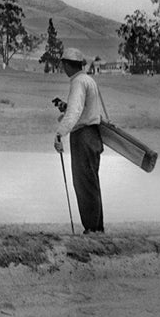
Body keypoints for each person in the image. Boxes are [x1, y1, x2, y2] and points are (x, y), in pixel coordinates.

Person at [52, 47, 105, 232]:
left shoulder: (78, 83)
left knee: (84, 183)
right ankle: (96, 227)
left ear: (67, 65)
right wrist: (66, 107)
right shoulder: (88, 80)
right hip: (94, 136)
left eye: (63, 65)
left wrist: (59, 133)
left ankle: (92, 228)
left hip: (83, 136)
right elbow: (83, 109)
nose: (63, 68)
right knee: (91, 182)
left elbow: (75, 113)